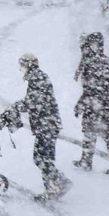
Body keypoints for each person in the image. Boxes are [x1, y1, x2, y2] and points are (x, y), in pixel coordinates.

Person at [8, 54, 71, 199]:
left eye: (22, 66)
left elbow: (34, 101)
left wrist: (15, 107)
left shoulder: (38, 78)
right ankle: (54, 186)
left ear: (28, 65)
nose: (20, 69)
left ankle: (57, 184)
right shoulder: (37, 77)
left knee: (41, 158)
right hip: (46, 124)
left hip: (46, 125)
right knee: (43, 158)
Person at [73, 32, 109, 175]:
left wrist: (82, 104)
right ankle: (92, 160)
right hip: (104, 105)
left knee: (103, 133)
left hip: (99, 105)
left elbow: (93, 88)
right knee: (100, 133)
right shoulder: (101, 61)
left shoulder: (96, 63)